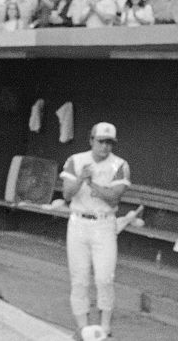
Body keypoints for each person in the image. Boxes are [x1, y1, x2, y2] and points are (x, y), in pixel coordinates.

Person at [61, 122, 130, 340]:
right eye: (101, 141)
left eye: (110, 142)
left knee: (104, 278)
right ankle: (83, 328)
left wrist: (92, 185)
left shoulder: (119, 164)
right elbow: (66, 195)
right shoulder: (76, 160)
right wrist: (81, 179)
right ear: (91, 140)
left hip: (103, 222)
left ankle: (105, 328)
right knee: (79, 277)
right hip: (79, 221)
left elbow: (114, 198)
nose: (105, 147)